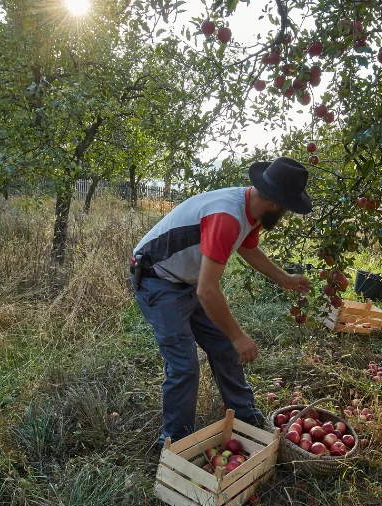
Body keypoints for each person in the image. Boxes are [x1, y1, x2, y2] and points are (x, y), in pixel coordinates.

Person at [131, 157, 313, 447]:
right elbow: (207, 290)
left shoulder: (249, 209)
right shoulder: (227, 216)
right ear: (277, 205)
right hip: (158, 279)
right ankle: (175, 442)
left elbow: (248, 249)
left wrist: (284, 279)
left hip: (184, 280)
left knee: (224, 347)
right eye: (289, 208)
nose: (286, 214)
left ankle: (245, 418)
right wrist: (239, 336)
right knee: (185, 366)